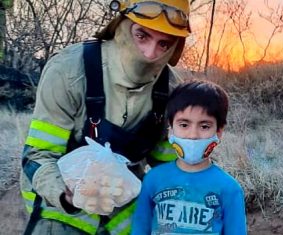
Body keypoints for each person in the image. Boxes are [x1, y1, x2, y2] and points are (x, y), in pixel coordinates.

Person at [20, 0, 191, 234]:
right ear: (121, 25)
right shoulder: (68, 71)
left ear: (176, 47)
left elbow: (168, 163)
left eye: (164, 44)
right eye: (142, 35)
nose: (150, 54)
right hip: (62, 197)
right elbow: (38, 156)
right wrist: (65, 193)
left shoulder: (172, 90)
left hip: (122, 195)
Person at [131, 80, 247, 234]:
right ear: (171, 129)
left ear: (218, 132)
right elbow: (140, 229)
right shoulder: (153, 179)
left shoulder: (229, 189)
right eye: (184, 125)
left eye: (204, 126)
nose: (193, 135)